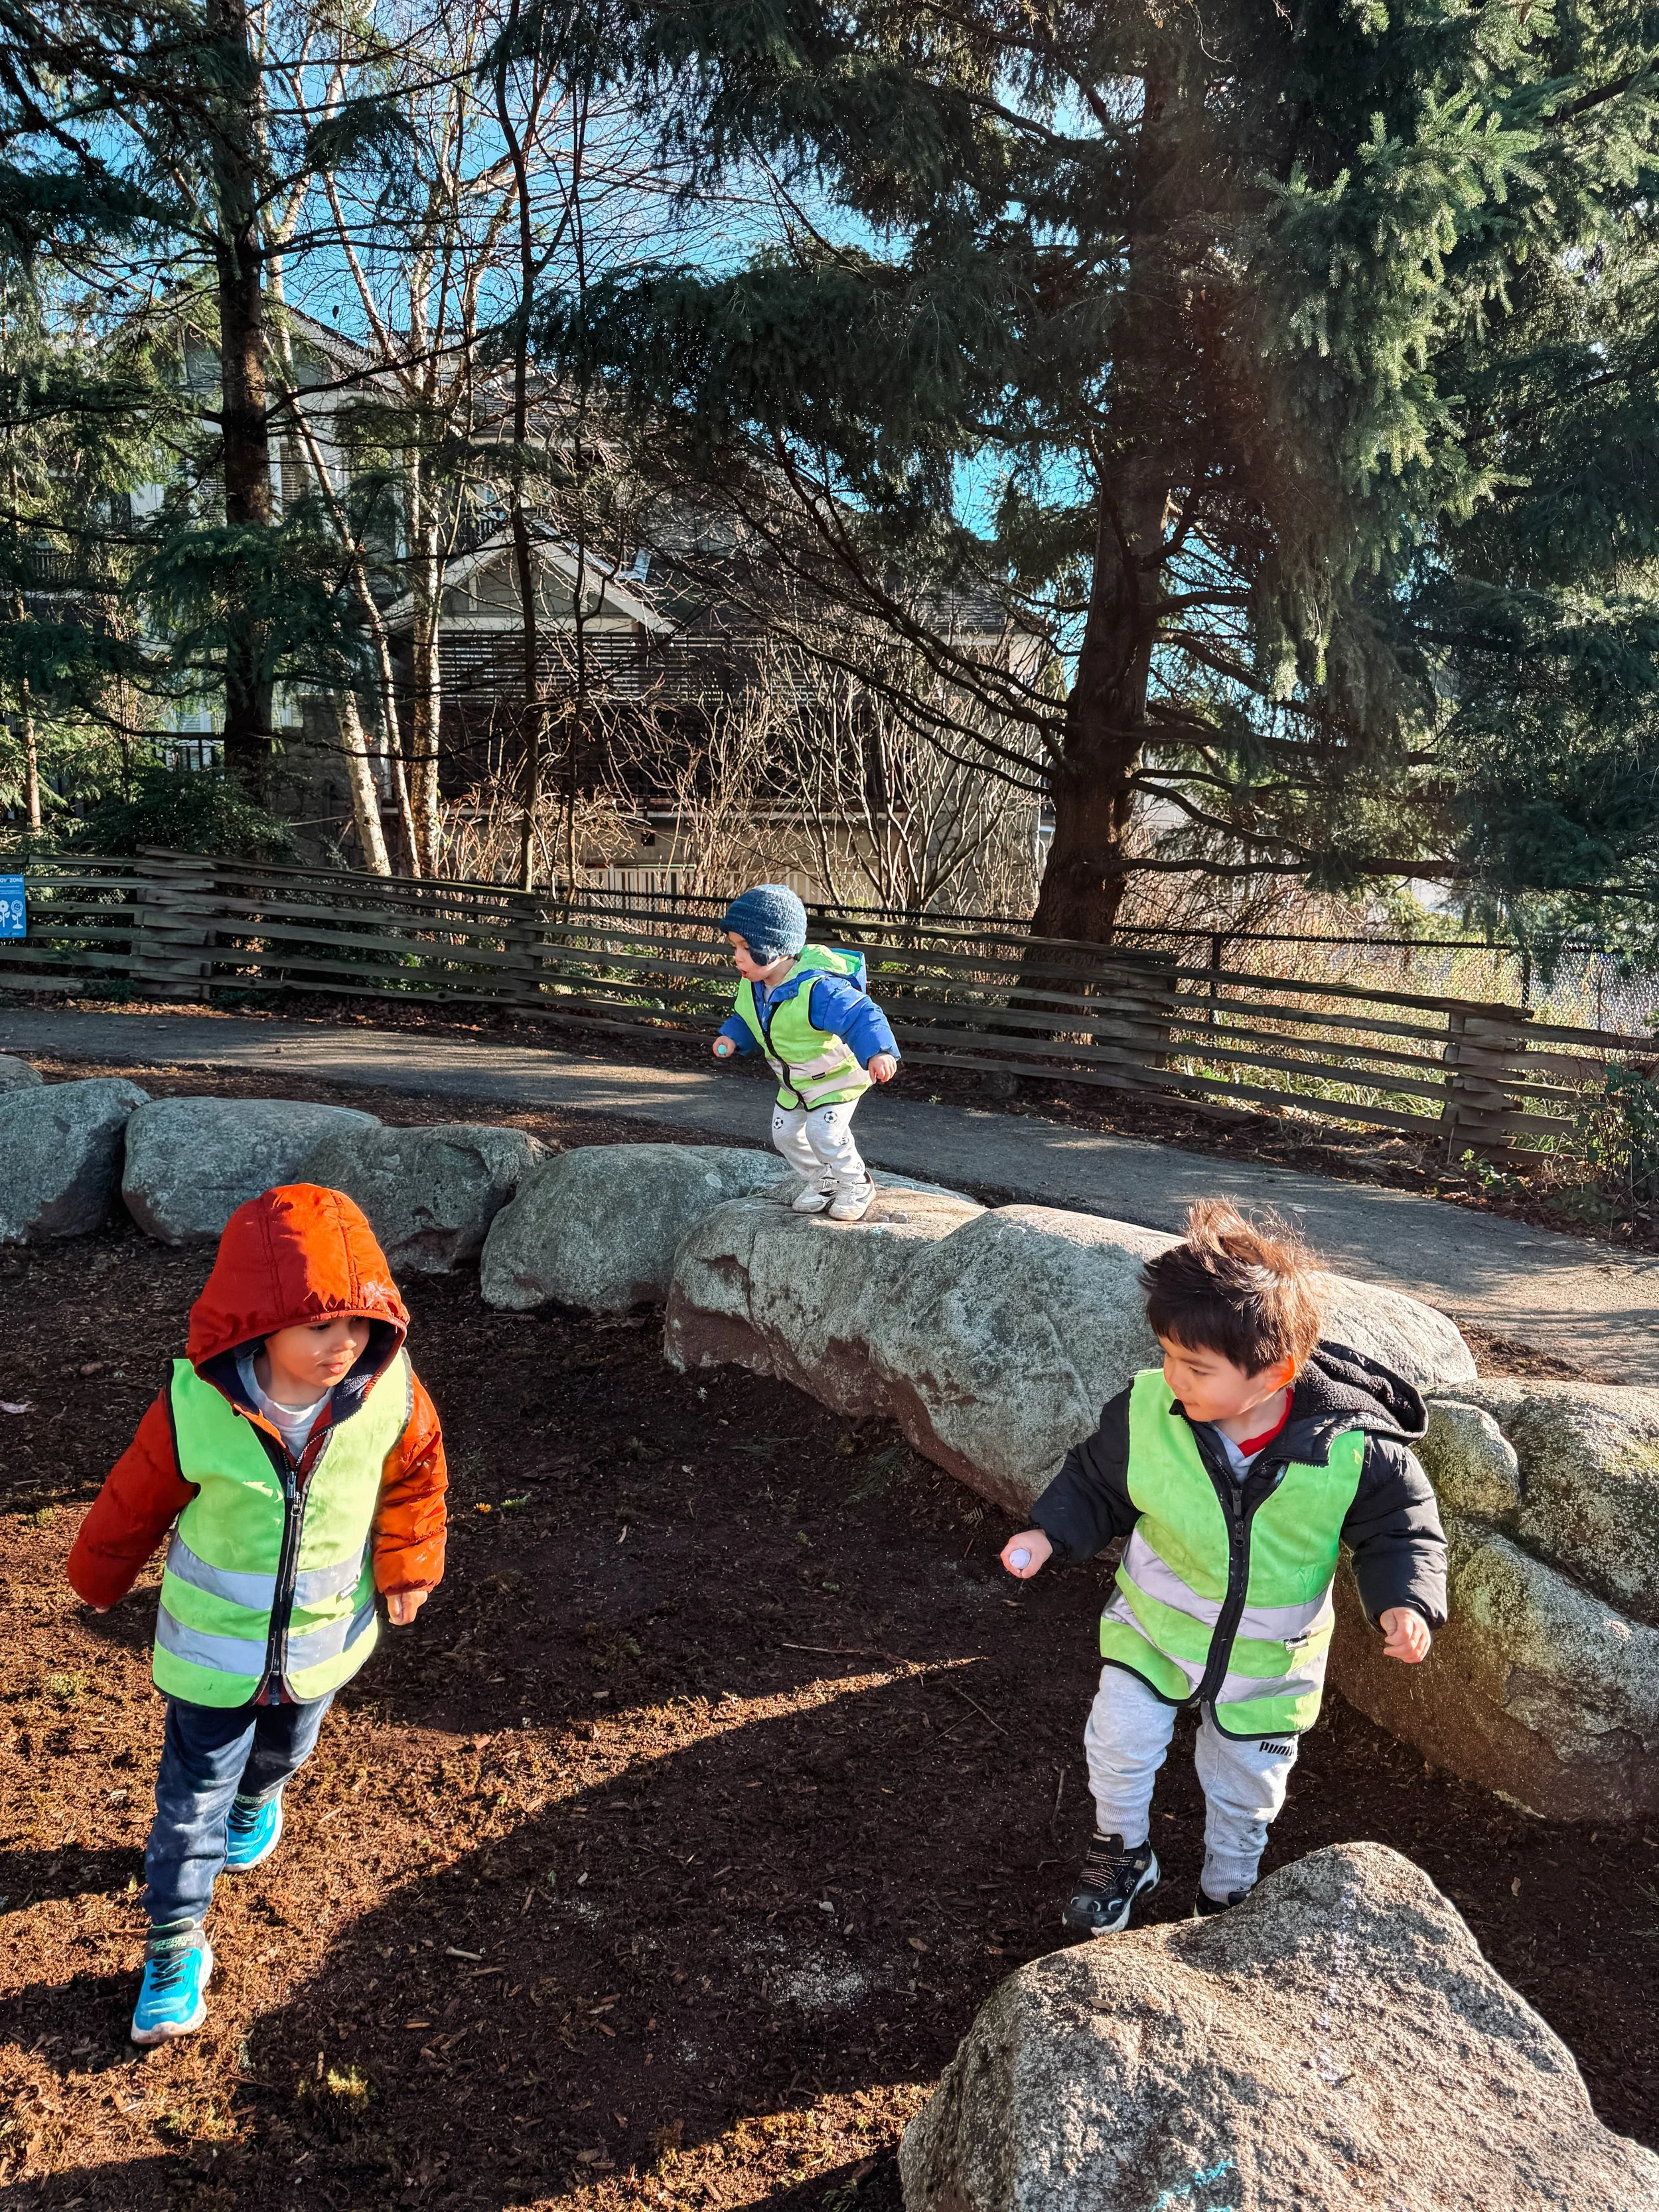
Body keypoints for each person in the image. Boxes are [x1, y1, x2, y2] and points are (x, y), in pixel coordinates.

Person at [66, 1183, 447, 2045]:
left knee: (285, 1748)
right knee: (188, 1805)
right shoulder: (197, 1408)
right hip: (212, 1662)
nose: (344, 1343)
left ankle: (261, 1799)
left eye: (358, 1324)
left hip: (319, 1646)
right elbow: (134, 1498)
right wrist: (98, 1575)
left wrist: (409, 1563)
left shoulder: (388, 1394)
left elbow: (419, 1476)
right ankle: (172, 1951)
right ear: (257, 1322)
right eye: (321, 1326)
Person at [1001, 1199, 1445, 1934]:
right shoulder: (1148, 1413)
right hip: (1152, 1630)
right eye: (1168, 1355)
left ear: (1275, 1374)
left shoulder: (1353, 1450)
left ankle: (1226, 1893)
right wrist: (1047, 1534)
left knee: (1247, 1790)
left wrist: (1404, 1601)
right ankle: (1122, 1853)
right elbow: (1096, 1481)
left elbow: (1400, 1532)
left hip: (1267, 1666)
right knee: (1117, 1743)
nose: (1172, 1376)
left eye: (1195, 1366)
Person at [711, 883, 900, 1224]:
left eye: (747, 947)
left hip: (835, 1078)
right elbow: (750, 1019)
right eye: (735, 946)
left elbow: (861, 1015)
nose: (737, 956)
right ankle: (823, 1181)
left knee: (824, 1133)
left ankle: (857, 1183)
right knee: (784, 1134)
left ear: (777, 948)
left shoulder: (817, 989)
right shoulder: (753, 985)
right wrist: (733, 1037)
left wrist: (879, 1051)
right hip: (794, 1082)